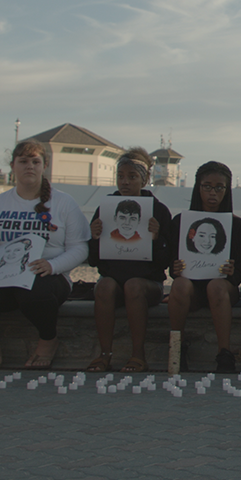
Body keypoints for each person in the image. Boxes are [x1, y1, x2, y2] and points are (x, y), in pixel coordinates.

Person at [0, 140, 88, 369]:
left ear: (45, 166)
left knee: (34, 294)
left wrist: (53, 265)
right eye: (23, 161)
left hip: (47, 276)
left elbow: (80, 248)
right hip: (1, 276)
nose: (29, 166)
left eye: (35, 161)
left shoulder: (64, 203)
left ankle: (48, 340)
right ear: (13, 165)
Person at [85, 148, 173, 373]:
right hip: (114, 281)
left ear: (144, 179)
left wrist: (156, 239)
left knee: (134, 285)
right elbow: (94, 261)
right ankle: (104, 353)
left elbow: (166, 262)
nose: (125, 182)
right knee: (103, 285)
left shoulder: (159, 212)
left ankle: (138, 354)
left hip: (146, 284)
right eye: (120, 176)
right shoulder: (105, 209)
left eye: (132, 177)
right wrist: (94, 238)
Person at [167, 161, 241, 373]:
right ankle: (175, 347)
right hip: (190, 288)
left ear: (226, 190)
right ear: (198, 187)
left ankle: (224, 353)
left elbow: (239, 275)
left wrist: (231, 271)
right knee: (180, 285)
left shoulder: (236, 225)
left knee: (216, 286)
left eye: (219, 187)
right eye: (207, 186)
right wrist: (175, 268)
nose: (213, 193)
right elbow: (172, 271)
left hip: (222, 289)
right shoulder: (180, 222)